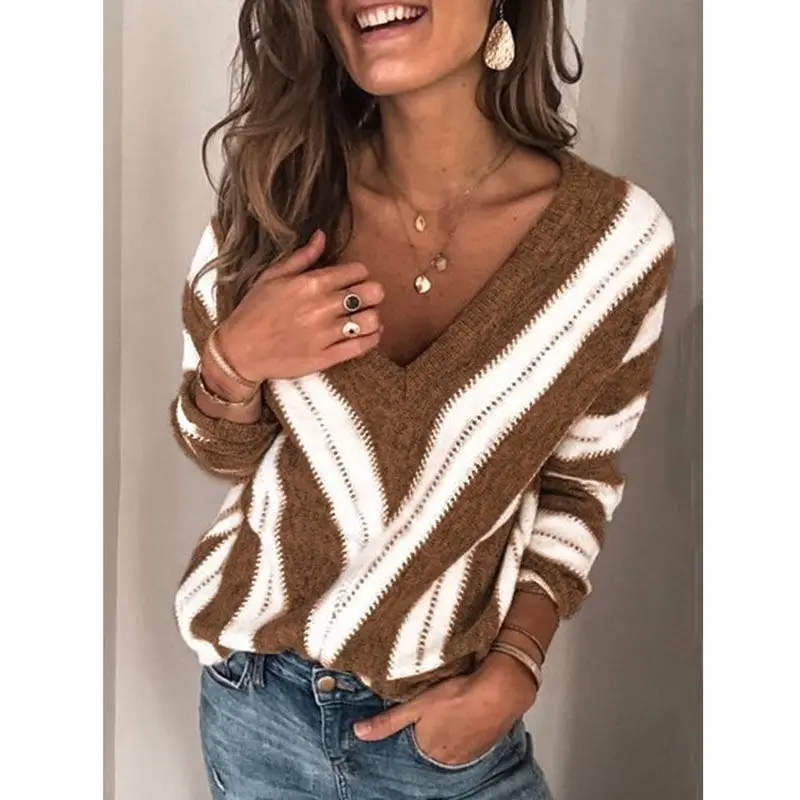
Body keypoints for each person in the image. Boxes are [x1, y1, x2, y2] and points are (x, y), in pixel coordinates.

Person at [170, 0, 676, 797]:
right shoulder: (277, 201)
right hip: (258, 709)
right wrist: (234, 360)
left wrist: (516, 667)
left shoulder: (614, 246)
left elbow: (579, 483)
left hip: (446, 735)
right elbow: (220, 450)